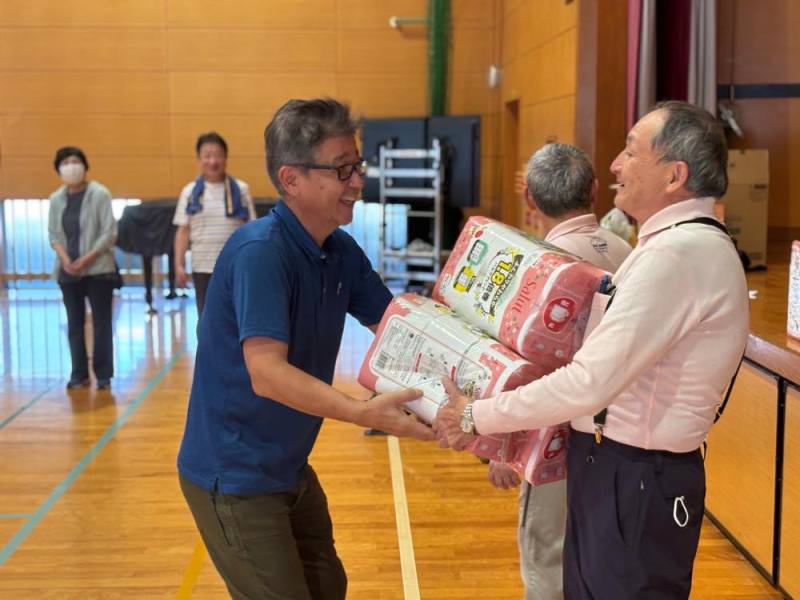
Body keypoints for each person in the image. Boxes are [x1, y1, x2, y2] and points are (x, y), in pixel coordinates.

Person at [435, 101, 749, 599]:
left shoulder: (679, 253)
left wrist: (477, 416)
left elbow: (588, 382)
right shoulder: (666, 245)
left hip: (635, 475)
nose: (615, 165)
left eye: (631, 152)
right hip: (619, 469)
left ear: (675, 175)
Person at [177, 98, 434, 600]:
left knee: (327, 587)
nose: (357, 182)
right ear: (291, 179)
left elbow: (396, 328)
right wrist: (362, 413)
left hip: (289, 466)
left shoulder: (339, 250)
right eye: (342, 169)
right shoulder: (260, 253)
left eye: (357, 165)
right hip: (235, 476)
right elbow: (267, 373)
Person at [486, 142, 631, 600]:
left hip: (556, 435)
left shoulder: (540, 263)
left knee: (548, 556)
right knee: (603, 556)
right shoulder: (630, 252)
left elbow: (526, 364)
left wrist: (503, 444)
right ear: (594, 189)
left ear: (529, 198)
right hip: (624, 435)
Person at [47, 147, 118, 391]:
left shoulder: (100, 194)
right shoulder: (56, 199)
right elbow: (53, 234)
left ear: (85, 166)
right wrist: (66, 260)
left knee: (101, 323)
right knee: (74, 324)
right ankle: (78, 373)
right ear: (59, 169)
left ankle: (104, 374)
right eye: (65, 162)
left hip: (98, 270)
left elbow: (109, 233)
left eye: (75, 161)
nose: (71, 166)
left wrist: (86, 259)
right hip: (68, 271)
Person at [172, 132, 256, 314]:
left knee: (236, 319)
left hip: (235, 267)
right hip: (202, 267)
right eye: (207, 156)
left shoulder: (241, 190)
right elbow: (183, 231)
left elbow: (252, 230)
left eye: (217, 155)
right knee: (206, 319)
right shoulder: (189, 192)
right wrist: (179, 264)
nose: (213, 161)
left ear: (226, 158)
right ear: (199, 160)